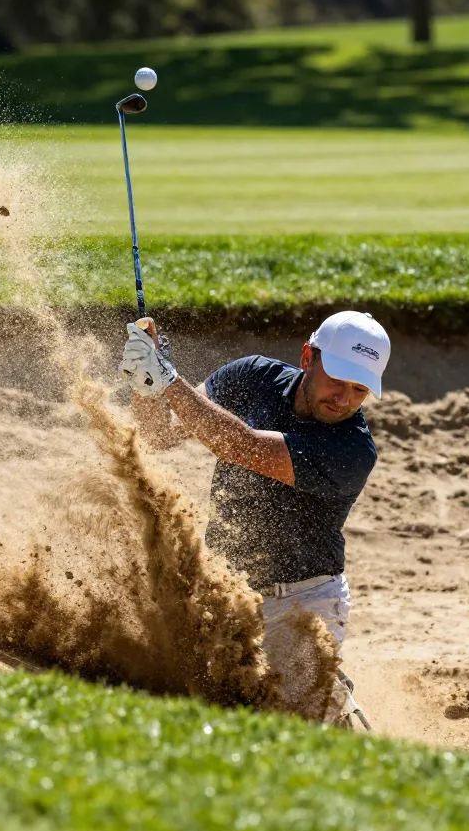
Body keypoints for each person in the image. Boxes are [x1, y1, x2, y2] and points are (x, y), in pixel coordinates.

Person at [118, 310, 390, 730]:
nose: (344, 399)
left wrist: (170, 379)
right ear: (307, 357)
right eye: (336, 380)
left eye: (359, 389)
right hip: (227, 592)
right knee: (211, 710)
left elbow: (241, 446)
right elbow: (161, 433)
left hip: (303, 602)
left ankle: (340, 713)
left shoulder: (353, 450)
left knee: (294, 725)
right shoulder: (253, 376)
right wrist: (146, 381)